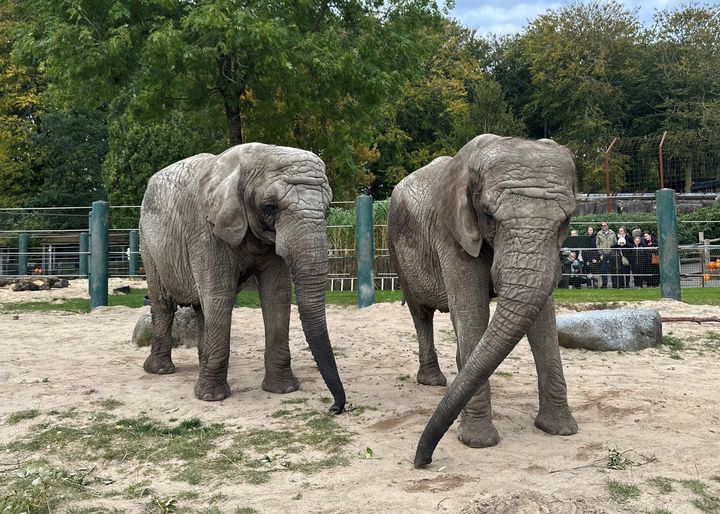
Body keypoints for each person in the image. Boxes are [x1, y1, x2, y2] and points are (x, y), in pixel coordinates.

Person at [595, 221, 617, 288]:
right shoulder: (599, 234)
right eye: (602, 226)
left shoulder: (612, 233)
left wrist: (612, 250)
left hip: (611, 253)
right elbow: (597, 243)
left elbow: (615, 242)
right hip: (603, 253)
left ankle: (614, 284)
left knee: (612, 269)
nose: (603, 227)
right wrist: (600, 251)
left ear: (607, 226)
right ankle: (604, 284)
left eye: (605, 225)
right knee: (603, 269)